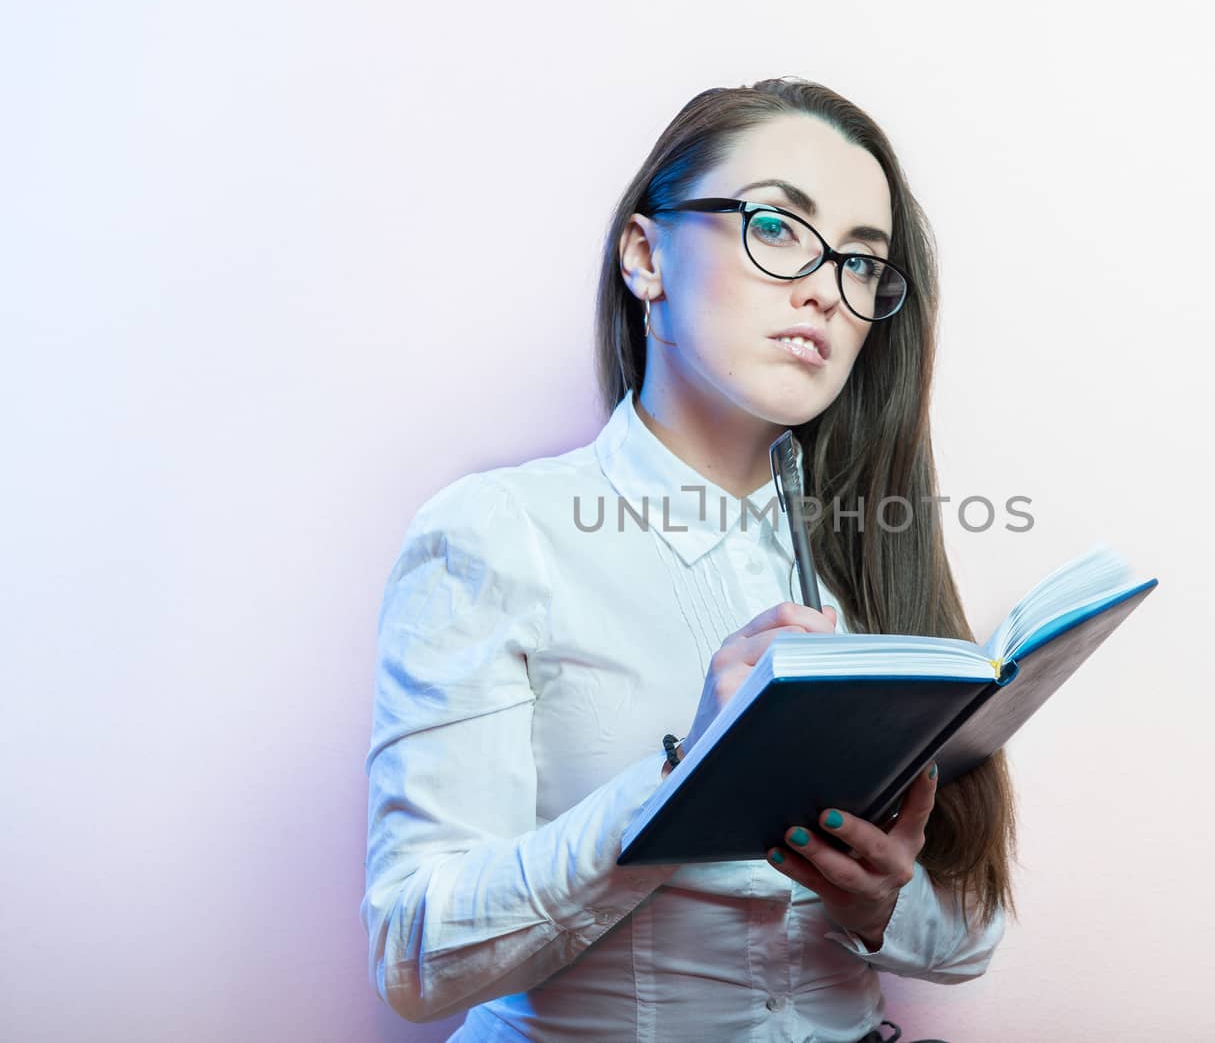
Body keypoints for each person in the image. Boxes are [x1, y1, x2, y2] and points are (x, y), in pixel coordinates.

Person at [361, 77, 1019, 1042]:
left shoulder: (871, 549)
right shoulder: (497, 534)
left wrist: (879, 903)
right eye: (777, 227)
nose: (823, 290)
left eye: (861, 263)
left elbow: (975, 931)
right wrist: (690, 782)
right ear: (645, 255)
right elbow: (411, 958)